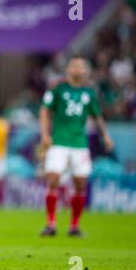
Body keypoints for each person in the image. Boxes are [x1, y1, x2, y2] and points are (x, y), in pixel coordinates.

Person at [39, 55, 114, 237]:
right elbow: (44, 110)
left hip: (80, 144)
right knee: (53, 179)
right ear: (68, 69)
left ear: (86, 71)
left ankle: (74, 226)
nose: (77, 70)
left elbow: (97, 116)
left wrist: (105, 135)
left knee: (80, 183)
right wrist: (45, 135)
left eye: (81, 67)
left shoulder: (89, 93)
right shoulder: (58, 88)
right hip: (58, 142)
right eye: (74, 66)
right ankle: (51, 224)